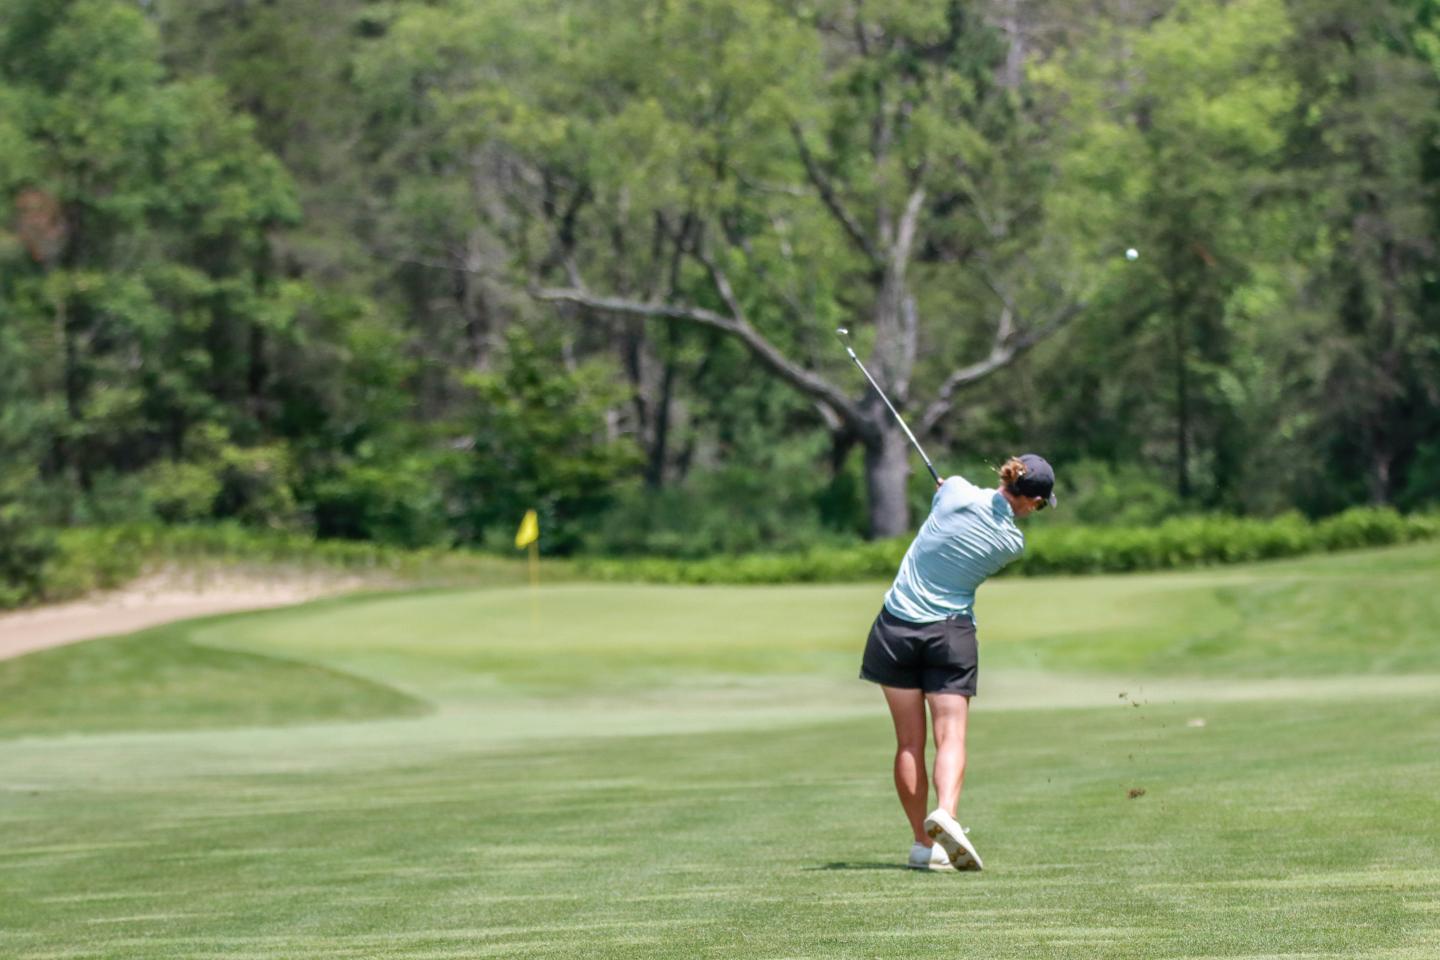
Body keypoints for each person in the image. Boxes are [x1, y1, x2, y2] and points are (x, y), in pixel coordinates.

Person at [859, 453, 1057, 871]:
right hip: (949, 635)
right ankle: (945, 812)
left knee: (909, 742)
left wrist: (947, 489)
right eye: (1039, 505)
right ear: (1029, 501)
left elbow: (949, 501)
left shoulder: (956, 491)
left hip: (895, 629)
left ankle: (920, 843)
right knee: (950, 735)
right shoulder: (1011, 544)